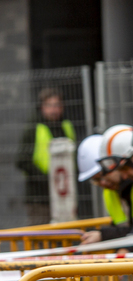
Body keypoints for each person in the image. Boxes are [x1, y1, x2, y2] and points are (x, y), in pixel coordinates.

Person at [17, 88, 76, 225]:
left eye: (57, 105)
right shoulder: (33, 128)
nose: (54, 110)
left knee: (65, 234)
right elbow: (22, 161)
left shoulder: (66, 126)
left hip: (65, 194)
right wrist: (47, 179)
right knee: (42, 234)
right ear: (41, 107)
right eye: (49, 105)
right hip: (40, 197)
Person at [76, 134, 133, 243]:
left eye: (104, 174)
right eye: (96, 180)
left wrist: (104, 235)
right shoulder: (110, 193)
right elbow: (125, 229)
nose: (103, 183)